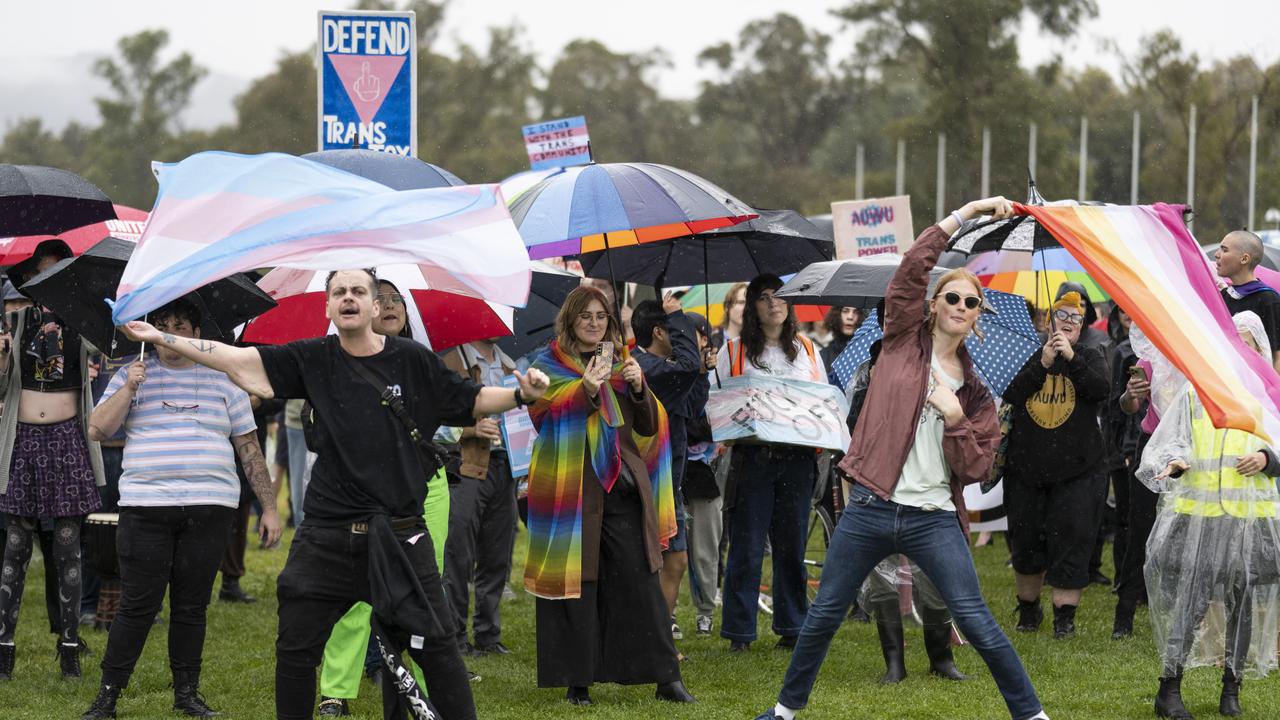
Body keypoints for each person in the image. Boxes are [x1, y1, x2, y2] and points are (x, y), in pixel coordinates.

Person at [112, 269, 547, 720]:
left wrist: (522, 394)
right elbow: (238, 361)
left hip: (398, 533)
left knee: (437, 646)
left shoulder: (412, 361)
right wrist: (164, 336)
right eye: (339, 292)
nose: (349, 298)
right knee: (295, 650)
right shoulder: (313, 358)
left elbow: (471, 399)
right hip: (326, 535)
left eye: (359, 291)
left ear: (376, 306)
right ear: (328, 308)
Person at [754, 196, 1049, 720]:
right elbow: (913, 267)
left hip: (931, 518)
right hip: (869, 506)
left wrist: (955, 418)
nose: (961, 306)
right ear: (934, 304)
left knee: (976, 619)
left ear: (979, 316)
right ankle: (783, 712)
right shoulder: (897, 342)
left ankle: (1031, 714)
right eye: (952, 297)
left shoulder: (977, 393)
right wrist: (968, 213)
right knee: (822, 615)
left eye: (971, 303)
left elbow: (978, 468)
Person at [80, 298, 283, 718]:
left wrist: (269, 507)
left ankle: (187, 694)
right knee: (137, 605)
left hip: (211, 507)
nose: (170, 333)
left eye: (180, 325)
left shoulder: (224, 377)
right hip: (146, 505)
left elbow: (248, 447)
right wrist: (131, 387)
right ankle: (108, 695)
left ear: (196, 333)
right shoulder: (131, 372)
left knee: (192, 606)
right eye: (162, 324)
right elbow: (98, 429)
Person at [525, 285, 693, 706]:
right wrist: (583, 388)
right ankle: (576, 680)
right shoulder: (549, 365)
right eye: (587, 317)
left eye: (602, 317)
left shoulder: (622, 362)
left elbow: (650, 425)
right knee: (577, 581)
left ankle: (665, 677)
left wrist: (637, 388)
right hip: (571, 487)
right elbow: (541, 412)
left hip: (620, 485)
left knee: (640, 579)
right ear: (570, 321)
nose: (595, 324)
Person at [315, 276, 461, 718]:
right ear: (367, 309)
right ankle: (335, 689)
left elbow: (453, 419)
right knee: (356, 589)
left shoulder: (422, 362)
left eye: (399, 299)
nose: (392, 305)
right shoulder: (337, 364)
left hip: (425, 489)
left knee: (424, 590)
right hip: (362, 494)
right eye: (383, 299)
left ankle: (408, 679)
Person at [1138, 311, 1280, 719]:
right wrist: (1177, 461)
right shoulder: (1196, 391)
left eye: (1246, 341)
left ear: (1258, 348)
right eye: (1230, 340)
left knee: (1243, 601)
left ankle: (1231, 689)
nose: (1236, 349)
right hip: (1201, 518)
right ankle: (1169, 687)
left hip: (1249, 517)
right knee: (1192, 601)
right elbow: (1174, 439)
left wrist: (1267, 458)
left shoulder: (1267, 396)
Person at [0, 239, 104, 682]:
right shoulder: (14, 321)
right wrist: (3, 354)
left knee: (67, 546)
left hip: (66, 440)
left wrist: (98, 355)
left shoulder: (85, 325)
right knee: (16, 546)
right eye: (41, 274)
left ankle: (69, 648)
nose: (49, 282)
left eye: (58, 273)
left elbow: (104, 360)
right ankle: (4, 649)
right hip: (21, 439)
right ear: (30, 279)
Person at [715, 274, 826, 652]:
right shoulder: (731, 352)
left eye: (779, 296)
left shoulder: (809, 350)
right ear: (752, 307)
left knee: (791, 545)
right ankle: (739, 631)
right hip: (753, 457)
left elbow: (822, 404)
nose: (773, 303)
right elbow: (719, 406)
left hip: (797, 460)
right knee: (746, 546)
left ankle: (793, 625)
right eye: (763, 298)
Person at [1001, 291, 1110, 639]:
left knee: (1072, 539)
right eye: (1060, 316)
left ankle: (1065, 617)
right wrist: (1044, 363)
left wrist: (1071, 359)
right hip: (1026, 470)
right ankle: (1029, 611)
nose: (1067, 323)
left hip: (1078, 471)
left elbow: (1100, 390)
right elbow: (1012, 393)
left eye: (1075, 319)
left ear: (1083, 326)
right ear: (1048, 321)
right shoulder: (1029, 356)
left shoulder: (1092, 356)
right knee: (1026, 540)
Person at [441, 331, 520, 657]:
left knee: (497, 555)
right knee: (458, 555)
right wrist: (473, 429)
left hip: (507, 466)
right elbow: (433, 419)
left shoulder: (509, 362)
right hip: (468, 468)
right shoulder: (450, 360)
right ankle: (456, 637)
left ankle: (488, 635)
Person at [630, 294, 703, 640]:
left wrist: (704, 370)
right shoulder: (643, 368)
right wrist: (679, 317)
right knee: (661, 562)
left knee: (675, 561)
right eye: (676, 327)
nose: (684, 332)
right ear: (660, 331)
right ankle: (653, 636)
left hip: (668, 479)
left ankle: (658, 632)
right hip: (647, 482)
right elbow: (687, 368)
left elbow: (693, 407)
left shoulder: (665, 368)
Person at [678, 312, 720, 637]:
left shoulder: (716, 375)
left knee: (706, 546)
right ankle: (669, 612)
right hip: (673, 469)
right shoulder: (669, 373)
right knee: (672, 549)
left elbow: (718, 420)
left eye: (696, 334)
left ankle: (706, 610)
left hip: (706, 473)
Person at [1216, 230, 1280, 371]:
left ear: (1244, 259)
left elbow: (1277, 356)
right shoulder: (1222, 296)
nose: (1217, 254)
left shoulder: (1268, 299)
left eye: (1224, 250)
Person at [819, 306, 859, 381]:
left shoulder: (866, 353)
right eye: (845, 311)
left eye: (856, 312)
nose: (850, 317)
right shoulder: (824, 355)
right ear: (836, 315)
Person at [714, 282, 748, 347]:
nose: (746, 308)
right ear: (727, 307)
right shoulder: (712, 343)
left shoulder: (760, 343)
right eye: (741, 302)